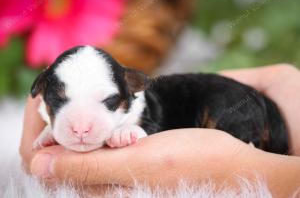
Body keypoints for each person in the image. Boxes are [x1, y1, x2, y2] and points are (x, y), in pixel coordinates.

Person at [20, 64, 300, 197]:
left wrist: (266, 171)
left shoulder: (142, 110)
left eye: (106, 101)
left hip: (229, 104)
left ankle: (253, 140)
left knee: (226, 113)